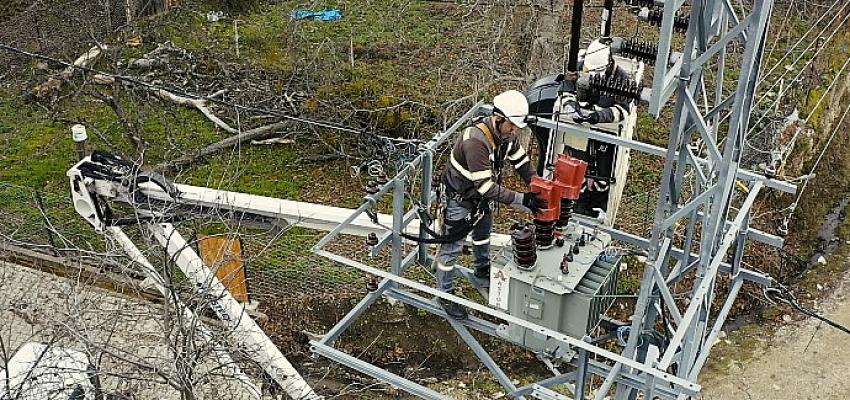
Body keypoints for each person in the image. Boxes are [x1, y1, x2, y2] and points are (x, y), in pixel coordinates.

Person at [436, 90, 547, 320]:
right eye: (512, 126)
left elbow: (522, 163)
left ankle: (482, 269)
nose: (515, 131)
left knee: (483, 233)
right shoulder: (476, 142)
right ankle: (444, 294)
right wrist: (523, 200)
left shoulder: (506, 137)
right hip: (461, 198)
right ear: (498, 118)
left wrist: (537, 187)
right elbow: (485, 186)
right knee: (452, 247)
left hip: (479, 198)